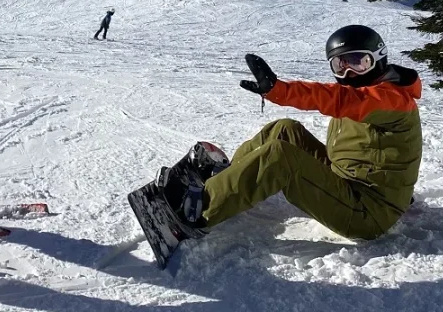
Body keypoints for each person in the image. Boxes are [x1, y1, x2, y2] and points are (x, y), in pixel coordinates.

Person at [157, 25, 422, 242]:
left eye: (358, 62)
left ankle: (199, 209)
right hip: (350, 180)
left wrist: (279, 91)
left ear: (379, 58)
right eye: (340, 65)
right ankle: (228, 179)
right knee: (284, 129)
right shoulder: (369, 94)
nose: (349, 72)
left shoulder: (392, 99)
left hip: (366, 212)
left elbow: (339, 99)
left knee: (282, 157)